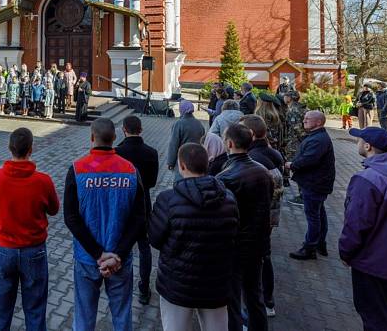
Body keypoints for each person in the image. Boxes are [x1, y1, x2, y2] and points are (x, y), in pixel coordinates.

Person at [64, 118, 146, 331]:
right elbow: (139, 217)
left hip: (87, 258)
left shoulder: (78, 169)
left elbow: (71, 218)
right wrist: (118, 254)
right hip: (120, 259)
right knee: (122, 315)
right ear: (115, 138)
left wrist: (97, 254)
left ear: (92, 137)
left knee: (84, 316)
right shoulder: (130, 170)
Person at [149, 143, 239, 331]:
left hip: (177, 284)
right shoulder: (229, 199)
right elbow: (233, 235)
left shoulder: (168, 199)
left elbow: (155, 238)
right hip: (216, 282)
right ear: (207, 164)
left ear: (182, 166)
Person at [341, 127, 387, 331]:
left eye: (359, 140)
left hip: (371, 261)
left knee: (375, 318)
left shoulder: (367, 179)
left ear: (368, 146)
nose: (357, 143)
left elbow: (356, 224)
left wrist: (346, 252)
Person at [0, 127, 59, 330]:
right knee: (35, 310)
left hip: (4, 249)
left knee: (0, 311)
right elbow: (54, 209)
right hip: (34, 250)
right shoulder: (43, 181)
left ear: (9, 148)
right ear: (31, 149)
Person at [216, 123, 273, 331]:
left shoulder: (226, 176)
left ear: (230, 143)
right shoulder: (263, 171)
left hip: (236, 246)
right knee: (254, 293)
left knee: (232, 297)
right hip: (257, 243)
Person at [239, 114, 285, 317]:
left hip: (256, 218)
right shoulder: (272, 153)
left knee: (258, 260)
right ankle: (266, 300)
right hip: (268, 215)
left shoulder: (255, 159)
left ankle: (261, 302)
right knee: (263, 256)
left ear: (250, 134)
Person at [115, 115, 159, 306]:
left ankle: (118, 284)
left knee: (120, 244)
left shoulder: (117, 152)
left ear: (123, 129)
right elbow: (152, 182)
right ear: (141, 130)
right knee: (144, 247)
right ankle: (144, 288)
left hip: (122, 204)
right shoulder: (151, 152)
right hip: (143, 204)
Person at [286, 110, 336, 260]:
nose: (304, 120)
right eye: (304, 118)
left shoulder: (318, 139)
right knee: (319, 213)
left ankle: (309, 248)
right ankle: (319, 243)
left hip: (314, 183)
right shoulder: (317, 136)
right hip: (317, 182)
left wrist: (292, 165)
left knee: (313, 216)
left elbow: (308, 160)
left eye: (308, 118)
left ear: (319, 122)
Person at [166, 100, 205, 176]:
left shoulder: (179, 124)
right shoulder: (199, 123)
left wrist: (170, 162)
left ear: (182, 110)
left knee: (180, 179)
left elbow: (173, 144)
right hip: (196, 158)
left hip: (183, 158)